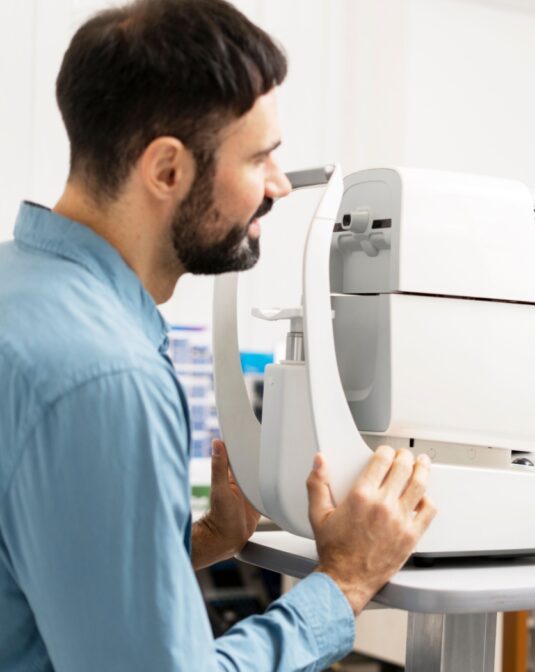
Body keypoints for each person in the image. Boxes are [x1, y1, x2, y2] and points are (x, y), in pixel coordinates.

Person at [0, 1, 436, 670]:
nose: (280, 186)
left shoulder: (19, 293)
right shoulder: (104, 378)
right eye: (259, 159)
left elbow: (38, 573)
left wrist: (198, 539)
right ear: (168, 170)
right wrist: (343, 583)